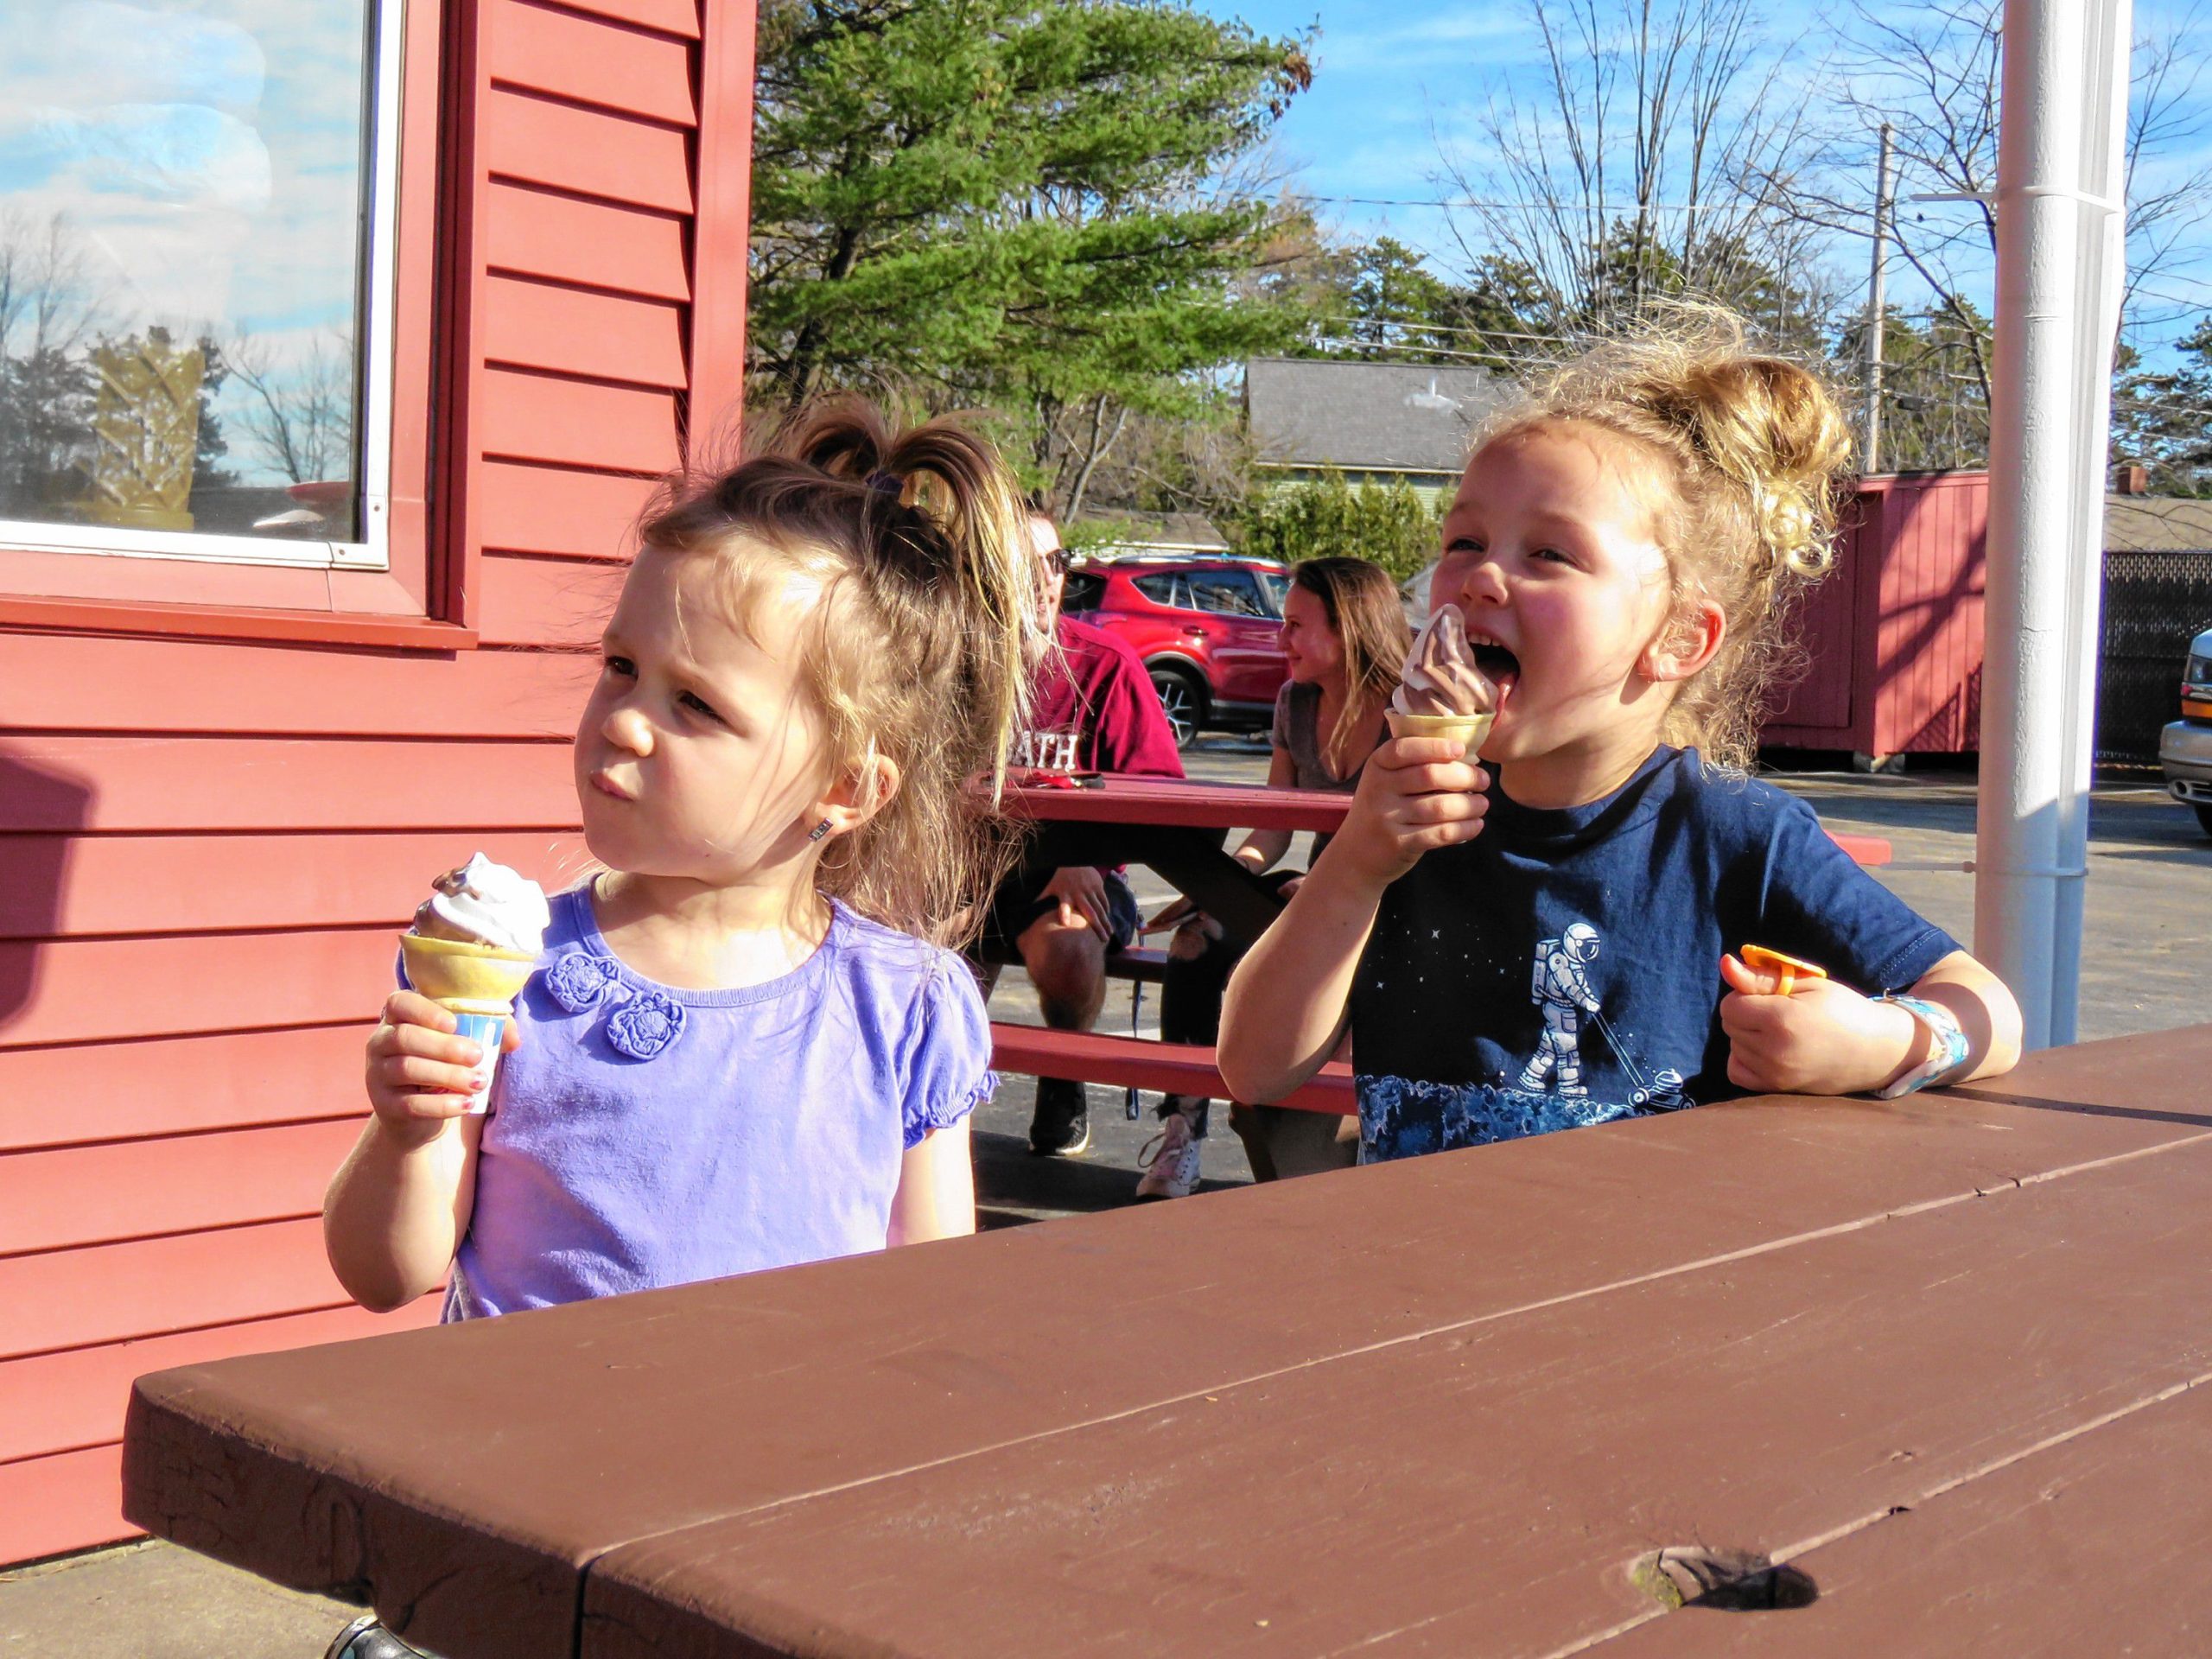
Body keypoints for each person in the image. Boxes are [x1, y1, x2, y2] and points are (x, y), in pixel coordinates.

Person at [1219, 309, 2022, 1160]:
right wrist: (1353, 867)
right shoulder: (1401, 824)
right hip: (1424, 1278)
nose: (1482, 575)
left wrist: (1882, 1043)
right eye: (1465, 540)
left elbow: (1990, 1012)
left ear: (1677, 638)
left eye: (1550, 556)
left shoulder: (1729, 835)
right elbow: (1254, 1068)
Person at [326, 399, 1037, 1329]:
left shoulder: (902, 1008)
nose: (619, 718)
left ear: (850, 788)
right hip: (529, 1460)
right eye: (620, 666)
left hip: (773, 1466)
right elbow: (384, 1273)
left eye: (695, 704)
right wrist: (407, 1129)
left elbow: (931, 1312)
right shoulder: (510, 969)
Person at [1135, 556, 1408, 1199]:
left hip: (1392, 897)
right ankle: (1183, 1129)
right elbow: (1273, 826)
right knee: (1197, 939)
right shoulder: (1294, 700)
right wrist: (1225, 881)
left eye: (1294, 626)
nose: (1278, 639)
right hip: (1309, 888)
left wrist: (1312, 891)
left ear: (1348, 629)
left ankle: (1340, 1136)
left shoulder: (1410, 706)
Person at [975, 508, 1183, 1157]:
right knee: (912, 952)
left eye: (1055, 564)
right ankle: (915, 1106)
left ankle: (1064, 1072)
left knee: (1069, 947)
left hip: (1079, 875)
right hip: (971, 871)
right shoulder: (959, 666)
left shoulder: (1103, 664)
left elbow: (1164, 794)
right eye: (1024, 566)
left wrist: (1080, 854)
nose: (1043, 581)